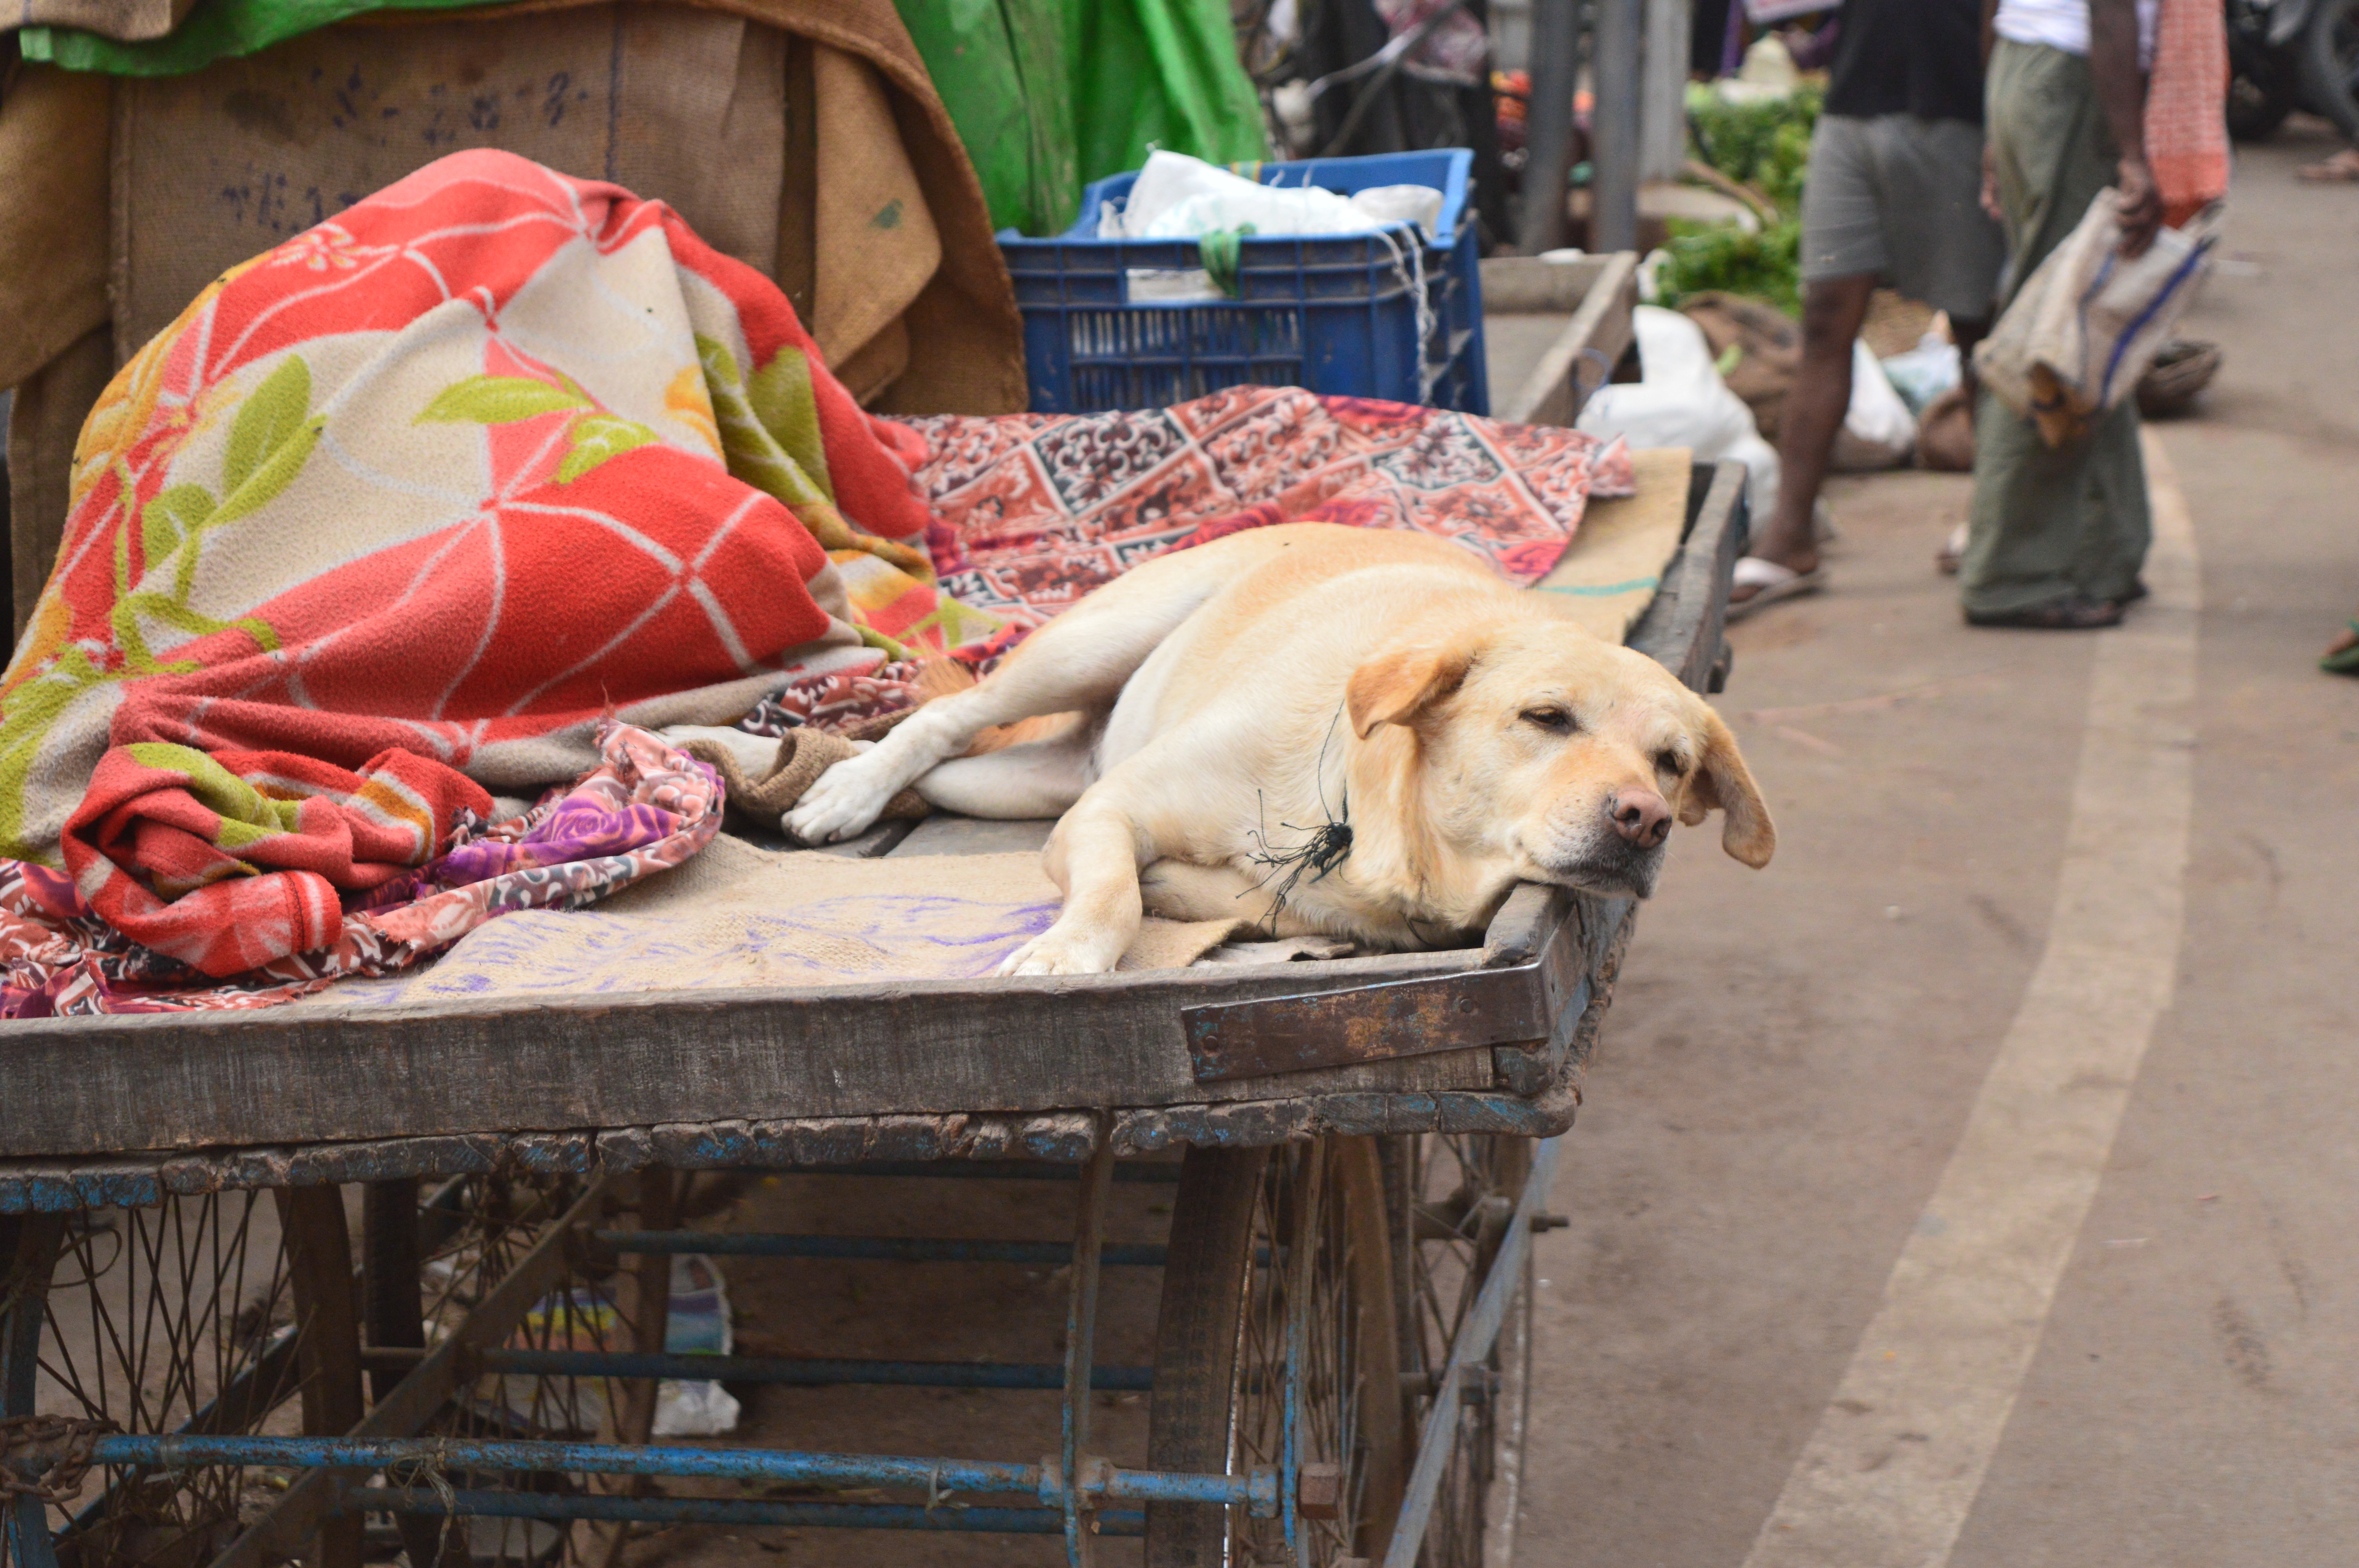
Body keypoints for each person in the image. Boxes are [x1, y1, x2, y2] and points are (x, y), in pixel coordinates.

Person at [1729, 0, 2006, 617]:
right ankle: (1790, 538)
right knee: (1826, 319)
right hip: (1854, 102)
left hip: (1960, 103)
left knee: (1973, 325)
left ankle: (1993, 520)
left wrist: (2002, 119)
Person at [1956, 0, 2163, 628]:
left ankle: (2106, 552)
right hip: (2073, 76)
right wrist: (2133, 150)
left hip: (2036, 70)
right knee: (2059, 333)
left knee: (2086, 321)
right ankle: (2012, 572)